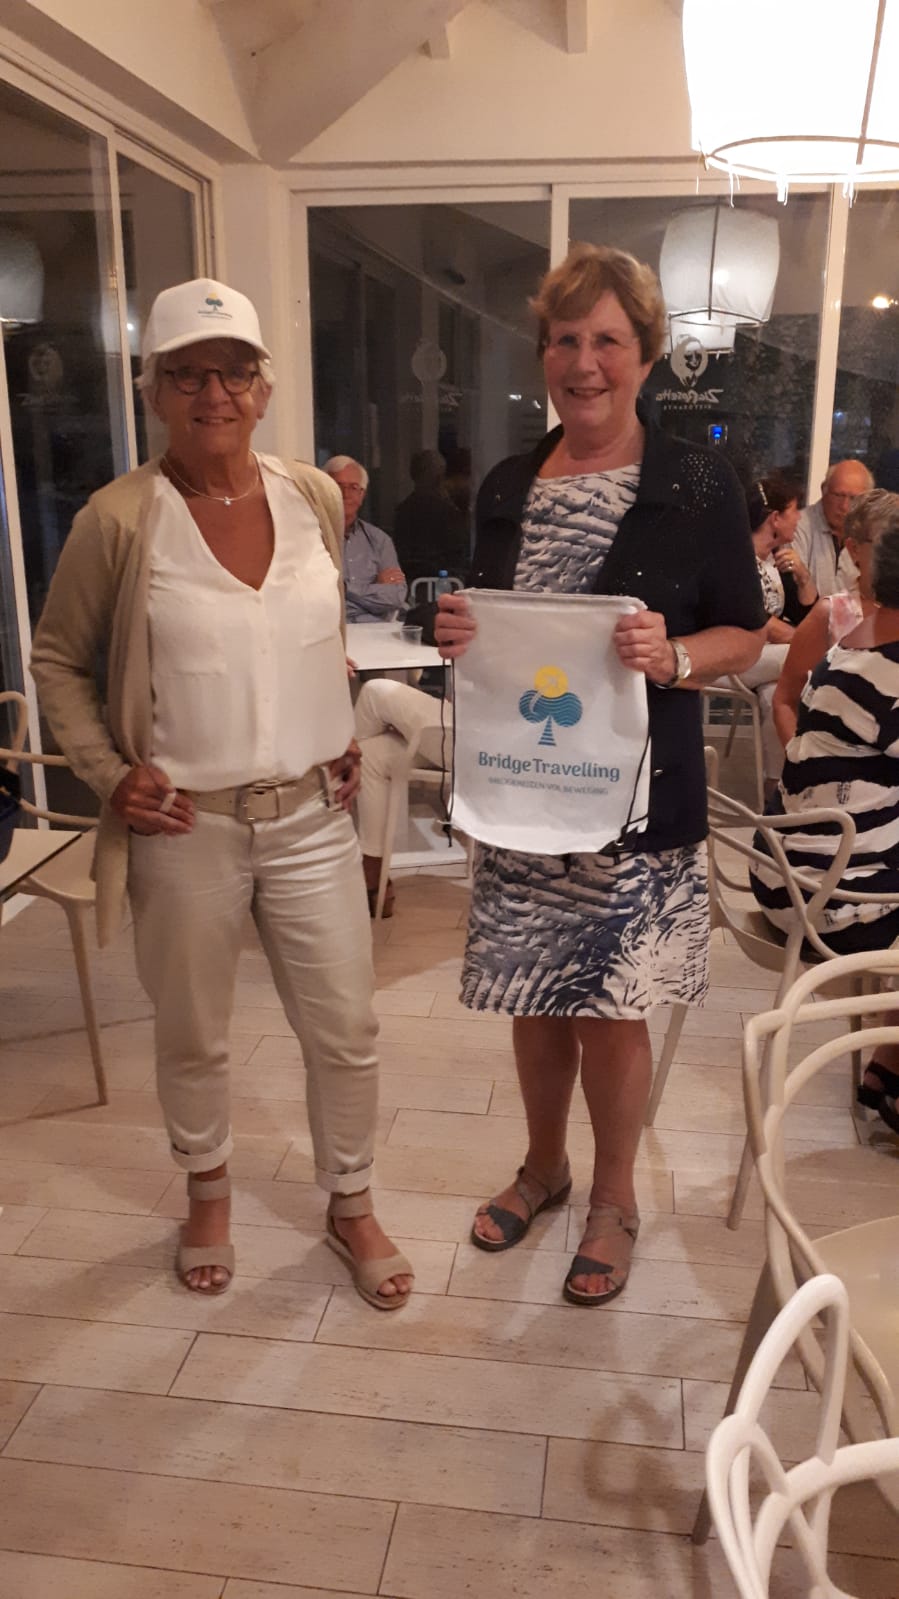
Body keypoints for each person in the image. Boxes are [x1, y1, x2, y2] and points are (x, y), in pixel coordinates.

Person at [30, 278, 413, 1310]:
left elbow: (307, 635)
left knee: (346, 1028)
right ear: (153, 390)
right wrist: (110, 774)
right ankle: (206, 1191)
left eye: (235, 372)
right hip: (186, 827)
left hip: (311, 820)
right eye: (189, 374)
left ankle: (349, 1200)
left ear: (264, 387)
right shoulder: (120, 519)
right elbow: (58, 659)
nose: (215, 394)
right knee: (193, 1030)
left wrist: (333, 726)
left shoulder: (312, 497)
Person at [435, 242, 766, 1308]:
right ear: (543, 352)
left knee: (611, 1004)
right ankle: (544, 1169)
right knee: (534, 993)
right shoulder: (505, 485)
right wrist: (456, 631)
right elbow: (491, 626)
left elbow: (744, 631)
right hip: (522, 790)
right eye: (565, 339)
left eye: (608, 341)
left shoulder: (697, 482)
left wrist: (674, 656)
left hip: (633, 801)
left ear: (645, 355)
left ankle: (613, 1199)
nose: (584, 363)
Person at [751, 518, 899, 1136]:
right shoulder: (891, 678)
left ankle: (887, 1067)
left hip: (784, 873)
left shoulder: (856, 645)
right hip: (827, 900)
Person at [773, 490, 899, 750]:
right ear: (854, 549)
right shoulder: (832, 614)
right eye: (887, 545)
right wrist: (799, 761)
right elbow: (785, 701)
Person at [735, 472, 814, 800]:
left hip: (764, 661)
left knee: (776, 694)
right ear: (775, 518)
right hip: (733, 657)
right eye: (795, 511)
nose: (800, 519)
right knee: (809, 658)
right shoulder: (737, 558)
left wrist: (803, 577)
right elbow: (761, 621)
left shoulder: (776, 561)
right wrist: (811, 642)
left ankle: (775, 788)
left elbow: (806, 616)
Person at [355, 678, 451, 917]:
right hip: (468, 733)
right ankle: (374, 870)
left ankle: (366, 869)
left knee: (374, 691)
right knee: (368, 755)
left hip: (480, 740)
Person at [324, 455, 406, 623]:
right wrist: (373, 589)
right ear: (324, 491)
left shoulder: (379, 540)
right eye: (338, 486)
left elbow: (396, 596)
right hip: (330, 629)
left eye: (354, 487)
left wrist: (344, 588)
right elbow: (318, 598)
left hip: (376, 630)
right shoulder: (312, 537)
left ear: (362, 495)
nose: (345, 494)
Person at [793, 458, 874, 598]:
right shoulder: (798, 527)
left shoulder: (870, 535)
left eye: (853, 498)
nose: (844, 506)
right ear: (823, 490)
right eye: (838, 495)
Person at [393, 448, 470, 587]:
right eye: (439, 474)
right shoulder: (445, 511)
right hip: (435, 583)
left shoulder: (403, 509)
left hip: (426, 581)